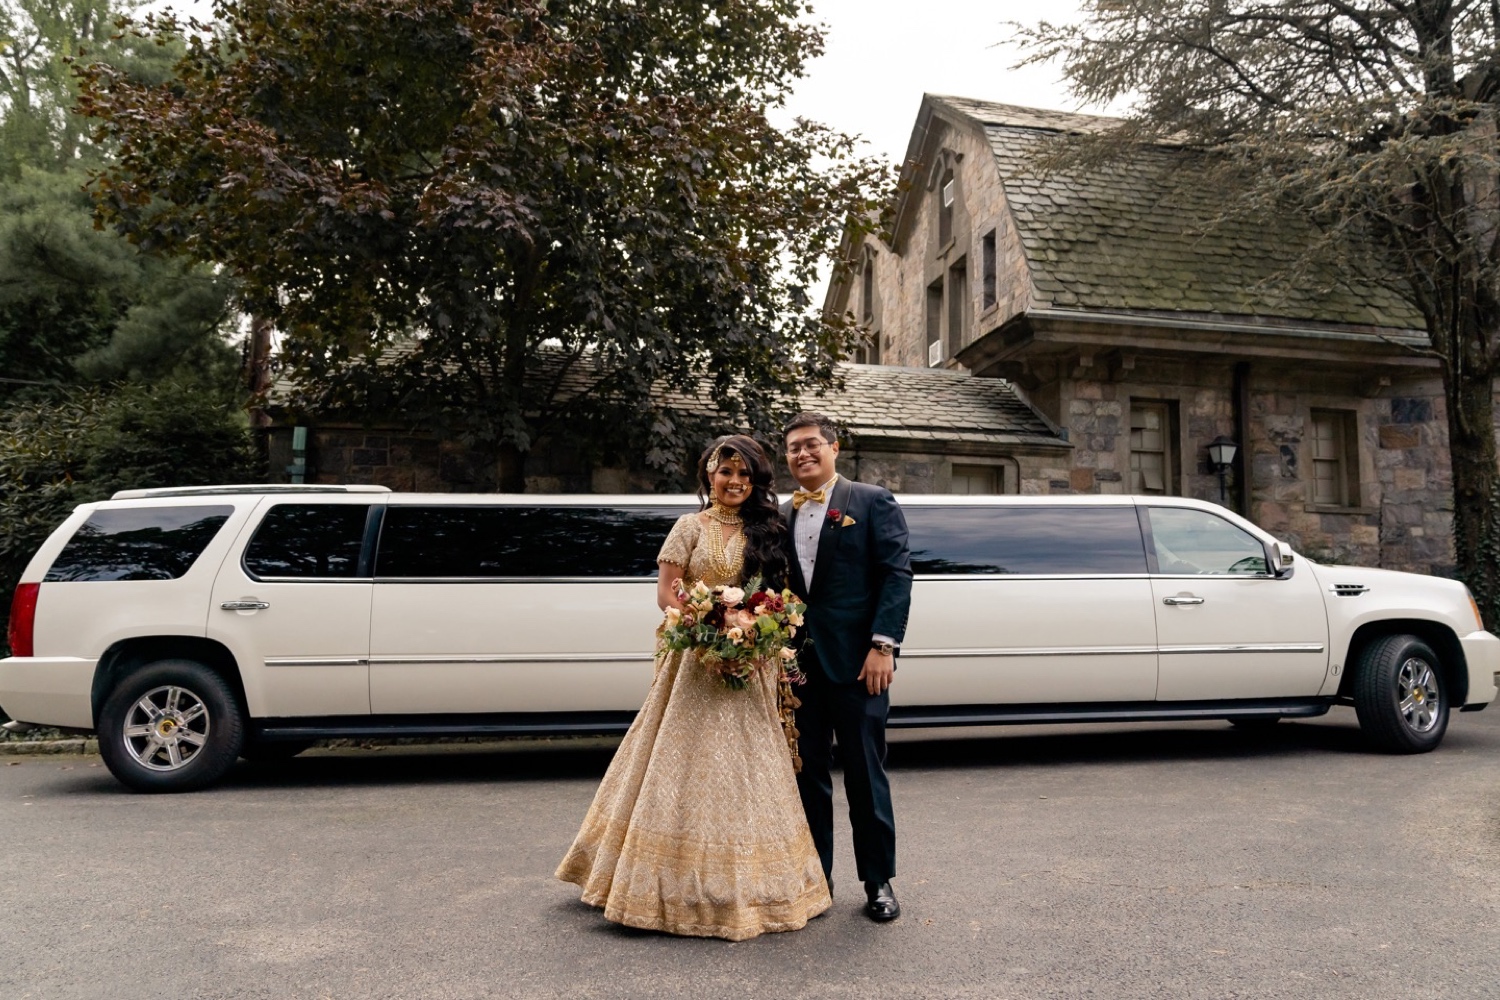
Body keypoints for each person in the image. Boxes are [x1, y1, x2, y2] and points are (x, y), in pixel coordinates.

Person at [556, 434, 830, 940]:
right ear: (708, 476)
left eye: (745, 475)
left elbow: (779, 596)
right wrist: (706, 626)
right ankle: (655, 887)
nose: (735, 483)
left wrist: (751, 632)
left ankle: (756, 885)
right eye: (726, 473)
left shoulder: (767, 529)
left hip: (751, 665)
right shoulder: (688, 527)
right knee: (680, 761)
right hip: (695, 661)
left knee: (746, 767)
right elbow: (666, 591)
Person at [782, 411, 912, 922]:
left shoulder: (871, 500)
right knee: (807, 777)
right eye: (793, 448)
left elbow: (895, 574)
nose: (803, 454)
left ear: (834, 448)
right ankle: (818, 880)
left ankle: (878, 881)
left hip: (861, 664)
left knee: (864, 774)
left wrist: (884, 646)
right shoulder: (781, 513)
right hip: (798, 668)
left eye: (812, 444)